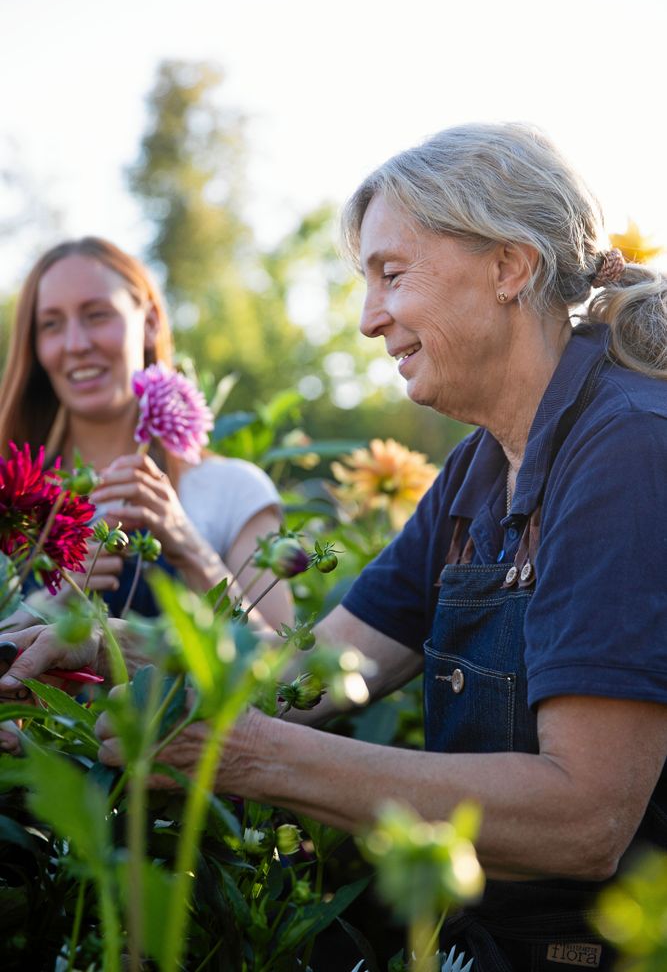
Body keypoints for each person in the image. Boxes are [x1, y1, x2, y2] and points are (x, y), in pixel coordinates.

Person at [98, 123, 667, 971]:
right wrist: (106, 655)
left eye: (391, 275)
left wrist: (246, 755)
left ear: (508, 268)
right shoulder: (481, 467)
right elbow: (310, 673)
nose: (369, 321)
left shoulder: (629, 448)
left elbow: (583, 819)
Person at [0, 237, 292, 631]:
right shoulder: (9, 496)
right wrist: (51, 598)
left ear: (150, 323)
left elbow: (283, 664)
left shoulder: (232, 491)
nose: (76, 344)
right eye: (51, 324)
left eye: (97, 315)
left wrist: (190, 550)